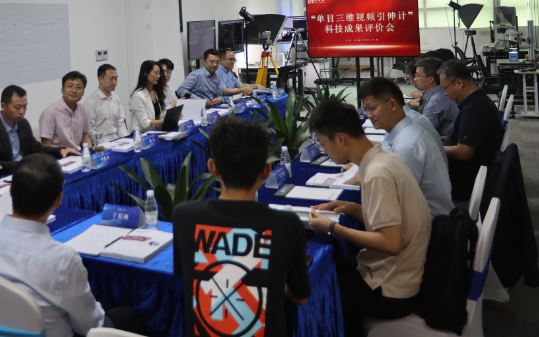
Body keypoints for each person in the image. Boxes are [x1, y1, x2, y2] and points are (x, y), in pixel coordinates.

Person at [0, 154, 146, 337]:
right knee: (129, 316)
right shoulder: (62, 260)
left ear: (10, 193)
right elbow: (91, 326)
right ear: (58, 200)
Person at [173, 117, 310, 337]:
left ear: (212, 168)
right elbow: (301, 297)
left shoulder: (183, 217)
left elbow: (187, 275)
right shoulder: (287, 225)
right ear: (266, 171)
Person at [306, 99, 431, 337]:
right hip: (404, 271)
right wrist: (353, 208)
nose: (324, 151)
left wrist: (333, 227)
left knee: (321, 291)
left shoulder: (376, 173)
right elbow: (393, 221)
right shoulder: (384, 158)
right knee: (331, 267)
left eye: (323, 143)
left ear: (340, 138)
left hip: (394, 289)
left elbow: (391, 243)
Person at [357, 78, 454, 217]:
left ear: (392, 104)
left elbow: (393, 201)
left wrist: (365, 179)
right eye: (365, 109)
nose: (368, 115)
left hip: (430, 224)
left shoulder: (407, 146)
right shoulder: (408, 132)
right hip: (429, 217)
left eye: (372, 108)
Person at [438, 59, 504, 205]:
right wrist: (438, 139)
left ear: (459, 83)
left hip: (463, 181)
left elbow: (464, 153)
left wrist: (435, 148)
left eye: (445, 88)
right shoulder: (477, 102)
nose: (445, 93)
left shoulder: (475, 109)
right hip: (466, 173)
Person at [0, 85, 77, 177]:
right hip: (5, 176)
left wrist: (60, 150)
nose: (22, 111)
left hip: (27, 172)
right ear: (3, 106)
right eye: (17, 107)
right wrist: (26, 164)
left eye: (25, 106)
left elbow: (36, 148)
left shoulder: (23, 123)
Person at [40, 71, 91, 151]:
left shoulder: (82, 108)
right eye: (70, 86)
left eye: (78, 87)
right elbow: (45, 145)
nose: (74, 90)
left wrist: (91, 153)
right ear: (62, 89)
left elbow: (84, 136)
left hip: (79, 153)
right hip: (59, 155)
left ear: (83, 92)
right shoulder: (50, 112)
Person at [414, 56, 459, 138]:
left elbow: (423, 133)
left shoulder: (435, 101)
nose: (415, 79)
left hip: (444, 143)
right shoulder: (442, 93)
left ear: (430, 79)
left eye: (417, 75)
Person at [85, 64, 128, 142]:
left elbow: (121, 124)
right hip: (102, 144)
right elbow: (91, 131)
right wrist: (104, 145)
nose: (114, 82)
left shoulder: (116, 98)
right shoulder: (91, 102)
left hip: (118, 141)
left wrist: (126, 140)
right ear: (100, 79)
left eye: (116, 79)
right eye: (111, 79)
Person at [129, 60, 167, 131]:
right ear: (145, 73)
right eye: (156, 73)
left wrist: (171, 116)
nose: (158, 76)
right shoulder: (137, 95)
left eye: (160, 74)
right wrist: (163, 121)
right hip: (141, 133)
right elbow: (144, 123)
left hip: (155, 131)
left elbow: (161, 113)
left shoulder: (156, 92)